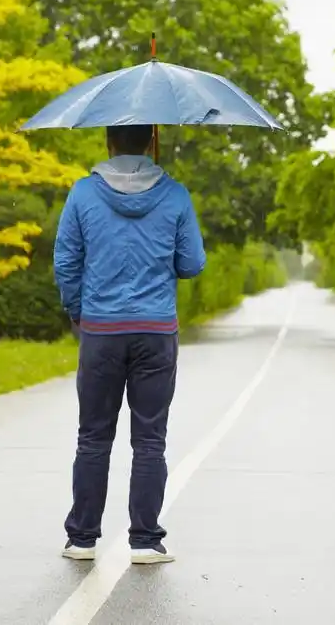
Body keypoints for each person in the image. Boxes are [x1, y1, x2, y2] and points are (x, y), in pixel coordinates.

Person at [53, 124, 206, 565]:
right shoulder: (175, 195)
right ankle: (145, 541)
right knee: (150, 439)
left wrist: (79, 312)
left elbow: (66, 261)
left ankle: (82, 538)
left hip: (100, 331)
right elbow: (192, 263)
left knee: (93, 436)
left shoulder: (83, 194)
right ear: (151, 142)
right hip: (156, 331)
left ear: (109, 141)